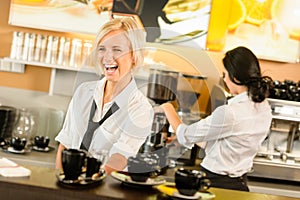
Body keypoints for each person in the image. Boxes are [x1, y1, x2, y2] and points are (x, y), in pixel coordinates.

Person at [161, 46, 273, 191]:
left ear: (236, 77)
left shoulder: (231, 112)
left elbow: (185, 134)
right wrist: (193, 139)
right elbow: (228, 146)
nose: (224, 80)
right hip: (240, 185)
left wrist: (167, 108)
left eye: (225, 75)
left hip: (215, 184)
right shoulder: (264, 108)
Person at [55, 17, 154, 175]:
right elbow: (65, 144)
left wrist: (87, 186)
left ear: (134, 56)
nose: (107, 57)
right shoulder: (83, 92)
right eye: (102, 49)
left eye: (117, 50)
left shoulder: (140, 109)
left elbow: (119, 159)